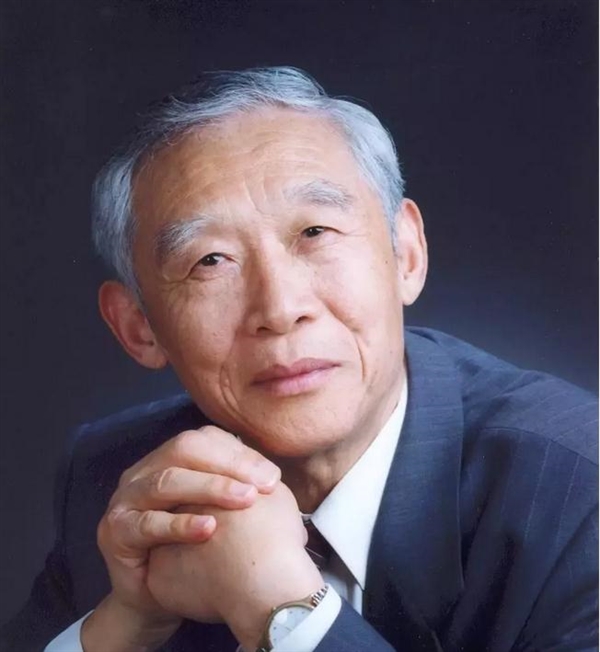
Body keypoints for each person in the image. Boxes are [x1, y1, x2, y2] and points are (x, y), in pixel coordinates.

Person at [2, 67, 597, 652]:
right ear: (138, 327)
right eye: (210, 261)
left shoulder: (576, 490)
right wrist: (125, 623)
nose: (281, 309)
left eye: (315, 232)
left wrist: (283, 608)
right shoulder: (122, 481)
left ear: (406, 254)